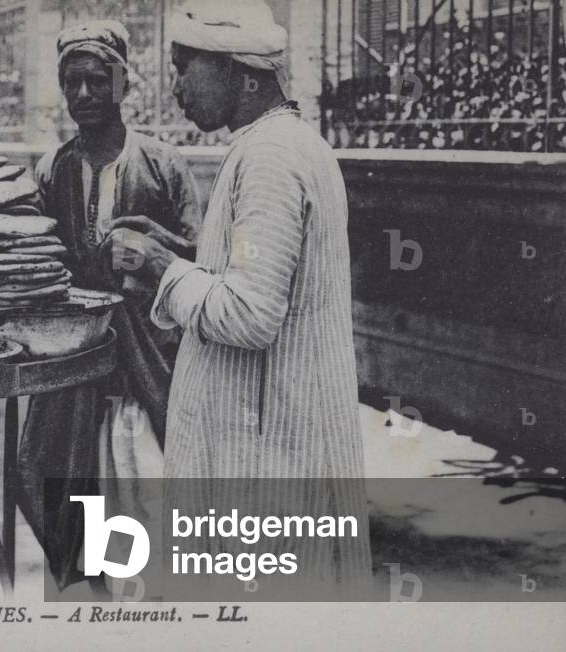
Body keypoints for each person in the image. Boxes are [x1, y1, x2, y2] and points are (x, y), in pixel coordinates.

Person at [109, 0, 370, 596]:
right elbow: (253, 269)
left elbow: (251, 314)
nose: (174, 87)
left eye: (184, 67)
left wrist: (160, 267)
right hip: (276, 448)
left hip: (269, 459)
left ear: (239, 72)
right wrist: (179, 248)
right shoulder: (281, 143)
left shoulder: (272, 157)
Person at [18, 21, 202, 594]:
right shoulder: (51, 169)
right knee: (71, 481)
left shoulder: (163, 165)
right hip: (76, 365)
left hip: (147, 364)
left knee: (145, 484)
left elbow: (199, 257)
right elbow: (36, 259)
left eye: (97, 81)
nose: (84, 96)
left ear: (123, 84)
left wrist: (143, 256)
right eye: (72, 83)